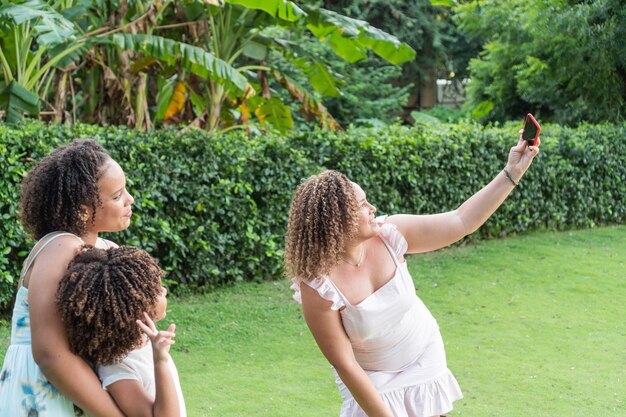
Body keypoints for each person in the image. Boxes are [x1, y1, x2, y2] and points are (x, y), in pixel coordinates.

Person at [285, 133, 540, 417]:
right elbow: (345, 364)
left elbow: (461, 220)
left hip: (422, 354)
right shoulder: (318, 286)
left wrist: (512, 172)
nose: (373, 209)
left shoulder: (389, 234)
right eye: (362, 204)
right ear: (336, 219)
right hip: (372, 379)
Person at [0, 139, 133, 417]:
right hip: (38, 394)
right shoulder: (59, 247)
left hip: (79, 391)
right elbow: (49, 354)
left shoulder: (108, 251)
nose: (130, 200)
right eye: (118, 195)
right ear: (84, 211)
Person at [56, 246, 186, 417]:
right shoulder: (116, 367)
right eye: (157, 290)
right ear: (139, 308)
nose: (164, 290)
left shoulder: (146, 343)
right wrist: (160, 361)